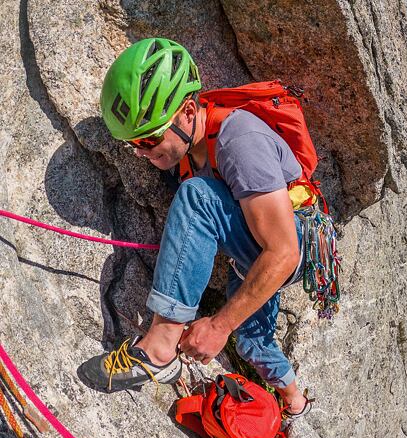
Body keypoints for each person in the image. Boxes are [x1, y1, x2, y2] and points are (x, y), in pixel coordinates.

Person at [80, 37, 311, 417]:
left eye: (149, 138)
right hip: (251, 252)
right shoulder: (188, 150)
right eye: (133, 143)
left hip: (290, 244)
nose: (141, 151)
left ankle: (158, 350)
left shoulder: (240, 141)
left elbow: (284, 253)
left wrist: (218, 326)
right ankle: (296, 401)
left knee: (198, 196)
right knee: (252, 343)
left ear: (189, 110)